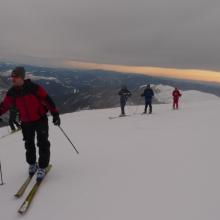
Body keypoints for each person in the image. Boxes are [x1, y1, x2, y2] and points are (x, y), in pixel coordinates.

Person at [0, 67, 61, 182]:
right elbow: (4, 106)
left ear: (22, 77)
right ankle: (32, 164)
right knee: (29, 144)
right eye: (12, 77)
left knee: (42, 143)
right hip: (26, 122)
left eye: (15, 77)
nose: (12, 79)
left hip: (40, 119)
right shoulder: (12, 93)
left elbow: (47, 100)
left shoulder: (34, 88)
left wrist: (55, 114)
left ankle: (42, 167)